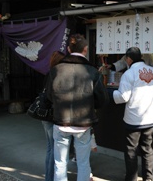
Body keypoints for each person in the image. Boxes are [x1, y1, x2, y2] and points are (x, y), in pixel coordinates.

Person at [46, 34, 109, 181]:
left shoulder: (56, 70)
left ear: (68, 49)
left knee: (60, 164)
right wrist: (90, 106)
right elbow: (102, 99)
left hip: (61, 122)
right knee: (83, 163)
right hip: (83, 124)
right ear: (85, 50)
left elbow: (49, 95)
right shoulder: (92, 71)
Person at [112, 47, 153, 181]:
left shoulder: (129, 74)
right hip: (150, 117)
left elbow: (123, 97)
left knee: (131, 151)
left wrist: (113, 93)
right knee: (147, 149)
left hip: (134, 119)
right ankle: (149, 178)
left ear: (129, 59)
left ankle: (131, 178)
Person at [42, 51, 65, 181]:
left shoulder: (48, 74)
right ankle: (51, 178)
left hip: (44, 115)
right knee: (54, 150)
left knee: (50, 148)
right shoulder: (57, 74)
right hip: (52, 115)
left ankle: (48, 177)